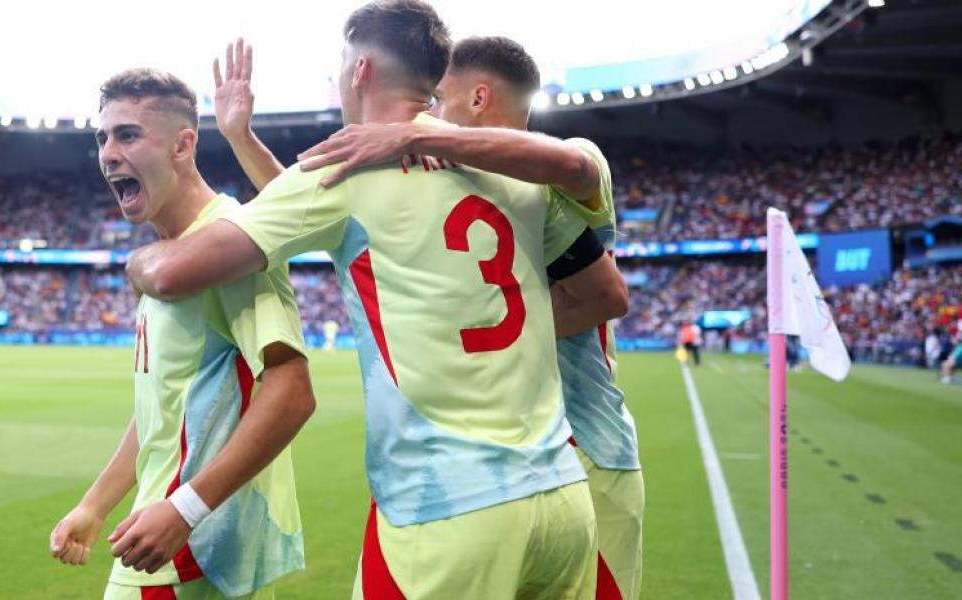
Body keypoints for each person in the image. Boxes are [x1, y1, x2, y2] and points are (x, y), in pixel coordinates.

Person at [125, 3, 627, 597]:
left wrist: (138, 259)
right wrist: (241, 137)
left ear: (360, 69)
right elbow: (603, 292)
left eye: (341, 64)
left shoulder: (346, 168)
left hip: (445, 511)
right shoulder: (509, 163)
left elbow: (174, 273)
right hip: (563, 503)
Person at [48, 69, 315, 600]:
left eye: (127, 135)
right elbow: (162, 406)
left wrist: (184, 508)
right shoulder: (173, 253)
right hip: (172, 535)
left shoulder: (228, 244)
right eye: (102, 138)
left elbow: (292, 390)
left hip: (182, 548)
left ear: (183, 144)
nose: (107, 153)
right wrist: (95, 504)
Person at [425, 36, 643, 600]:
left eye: (438, 99)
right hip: (508, 465)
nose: (431, 114)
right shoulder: (468, 192)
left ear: (478, 98)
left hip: (588, 444)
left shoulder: (573, 156)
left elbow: (573, 168)